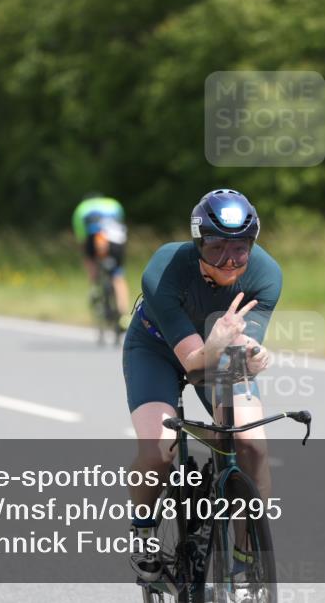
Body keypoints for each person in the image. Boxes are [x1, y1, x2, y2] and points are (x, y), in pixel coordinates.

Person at [123, 188, 280, 581]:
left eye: (240, 249)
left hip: (218, 352)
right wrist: (218, 342)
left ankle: (246, 559)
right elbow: (194, 365)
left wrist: (253, 354)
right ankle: (143, 529)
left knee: (251, 444)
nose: (229, 261)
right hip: (157, 349)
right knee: (160, 450)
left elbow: (244, 346)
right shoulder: (164, 268)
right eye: (215, 248)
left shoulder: (266, 275)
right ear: (197, 244)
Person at [72, 192, 130, 329]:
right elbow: (121, 224)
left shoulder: (81, 208)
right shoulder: (113, 203)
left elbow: (82, 238)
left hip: (95, 237)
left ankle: (94, 288)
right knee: (118, 276)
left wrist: (88, 258)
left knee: (90, 260)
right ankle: (124, 316)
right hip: (116, 238)